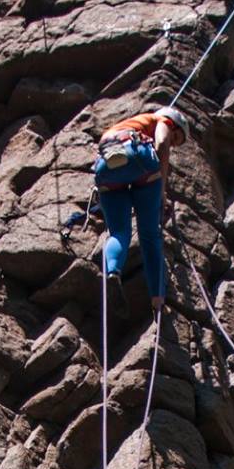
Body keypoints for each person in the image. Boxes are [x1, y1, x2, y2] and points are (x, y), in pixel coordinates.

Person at [93, 104, 191, 315]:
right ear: (172, 123)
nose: (173, 145)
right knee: (149, 235)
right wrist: (162, 191)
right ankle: (157, 298)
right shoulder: (161, 121)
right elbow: (163, 142)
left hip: (105, 167)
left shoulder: (124, 125)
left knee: (118, 232)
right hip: (139, 160)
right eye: (177, 139)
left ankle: (113, 272)